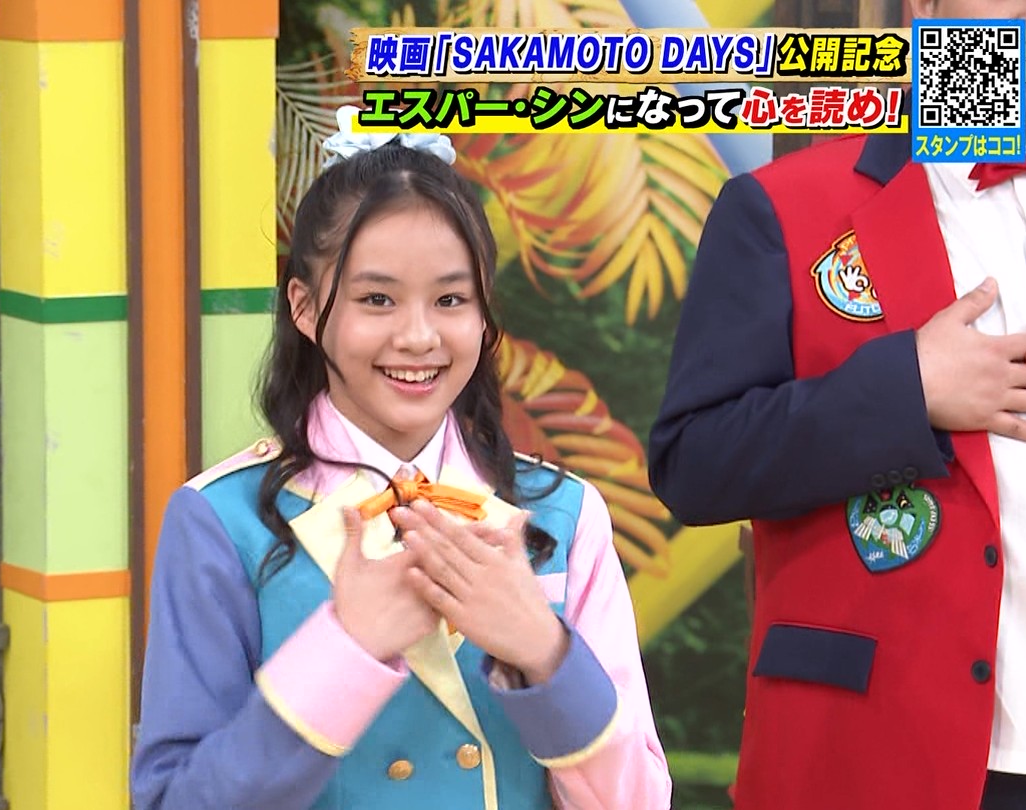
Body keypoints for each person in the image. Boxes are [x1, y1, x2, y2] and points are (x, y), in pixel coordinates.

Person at [130, 106, 672, 810]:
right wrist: (346, 648)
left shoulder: (563, 514)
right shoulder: (220, 521)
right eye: (377, 299)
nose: (418, 337)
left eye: (451, 299)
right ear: (305, 307)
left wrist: (544, 651)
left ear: (484, 314)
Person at [648, 1, 1026, 808]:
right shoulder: (782, 207)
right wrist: (909, 391)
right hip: (888, 753)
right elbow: (695, 462)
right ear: (924, 10)